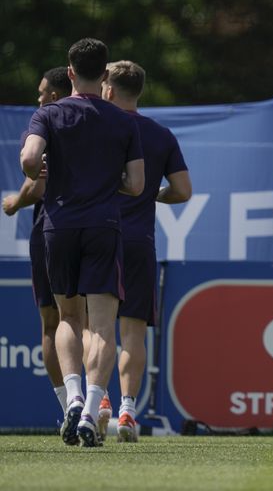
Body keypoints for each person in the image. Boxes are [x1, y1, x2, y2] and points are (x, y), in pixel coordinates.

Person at [20, 37, 145, 447]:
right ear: (105, 74)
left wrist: (44, 169)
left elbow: (29, 160)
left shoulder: (50, 114)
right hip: (103, 224)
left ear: (69, 72)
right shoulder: (124, 121)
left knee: (68, 318)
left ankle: (72, 398)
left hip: (59, 225)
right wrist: (108, 180)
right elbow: (137, 184)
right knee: (104, 326)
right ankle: (92, 410)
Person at [101, 60, 191, 442]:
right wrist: (152, 194)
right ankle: (127, 411)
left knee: (97, 327)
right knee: (132, 333)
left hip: (97, 237)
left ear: (108, 88)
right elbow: (183, 191)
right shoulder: (160, 134)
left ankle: (99, 401)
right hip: (139, 240)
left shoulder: (96, 128)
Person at [2, 67, 79, 422]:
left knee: (53, 324)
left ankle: (70, 406)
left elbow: (37, 185)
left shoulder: (43, 125)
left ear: (53, 94)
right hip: (99, 229)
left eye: (41, 91)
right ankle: (97, 400)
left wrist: (14, 203)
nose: (38, 98)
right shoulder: (101, 121)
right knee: (96, 323)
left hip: (53, 230)